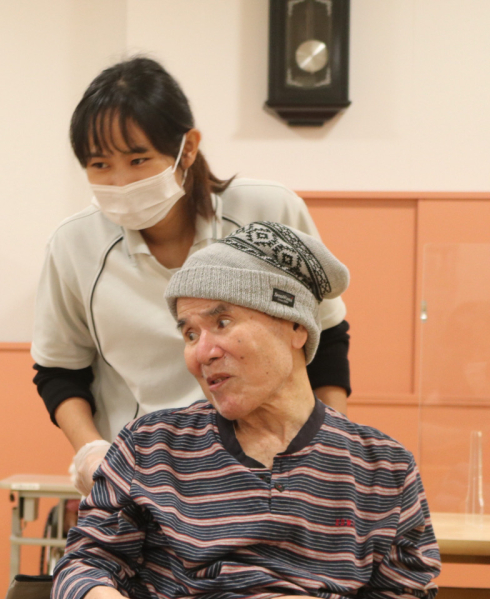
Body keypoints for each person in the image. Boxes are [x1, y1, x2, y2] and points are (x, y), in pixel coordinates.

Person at [52, 221, 490, 599]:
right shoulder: (153, 446)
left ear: (295, 328)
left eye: (222, 323)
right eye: (189, 332)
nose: (201, 352)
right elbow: (83, 561)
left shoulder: (381, 465)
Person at [32, 57, 352, 497]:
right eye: (100, 165)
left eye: (139, 159)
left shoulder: (268, 213)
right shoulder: (74, 245)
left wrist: (331, 443)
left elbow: (327, 335)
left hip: (273, 469)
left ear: (187, 148)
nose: (121, 182)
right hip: (146, 478)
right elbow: (58, 369)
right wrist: (91, 451)